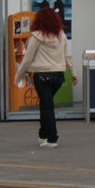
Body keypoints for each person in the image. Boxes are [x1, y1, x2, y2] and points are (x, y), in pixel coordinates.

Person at [14, 8, 77, 148]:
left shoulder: (36, 36)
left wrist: (18, 76)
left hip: (42, 76)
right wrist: (73, 73)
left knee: (47, 107)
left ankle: (52, 138)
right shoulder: (61, 35)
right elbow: (67, 57)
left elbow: (27, 58)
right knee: (45, 104)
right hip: (59, 77)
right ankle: (42, 135)